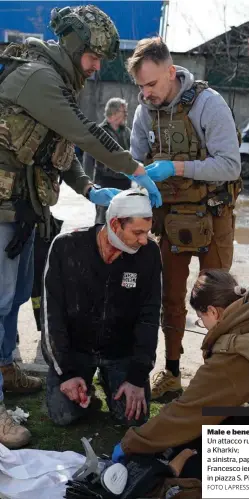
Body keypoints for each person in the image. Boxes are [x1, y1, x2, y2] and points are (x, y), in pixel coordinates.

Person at [0, 5, 161, 450]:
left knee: (13, 300)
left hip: (23, 207)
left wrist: (89, 189)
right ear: (73, 46)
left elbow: (62, 145)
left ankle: (6, 368)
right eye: (92, 57)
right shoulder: (38, 78)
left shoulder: (57, 82)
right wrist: (135, 169)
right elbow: (85, 133)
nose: (94, 67)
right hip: (3, 207)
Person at [127, 36, 241, 400]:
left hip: (213, 215)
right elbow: (134, 164)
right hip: (171, 218)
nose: (145, 94)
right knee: (171, 298)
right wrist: (142, 179)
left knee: (221, 301)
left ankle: (217, 378)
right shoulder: (145, 110)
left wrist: (175, 166)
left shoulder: (208, 104)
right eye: (140, 86)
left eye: (152, 84)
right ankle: (172, 372)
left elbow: (229, 165)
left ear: (171, 72)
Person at [112, 269, 249, 482]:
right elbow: (209, 408)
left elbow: (189, 409)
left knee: (194, 470)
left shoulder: (232, 353)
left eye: (201, 318)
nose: (203, 325)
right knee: (220, 415)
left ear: (213, 311)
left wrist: (132, 442)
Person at [41, 189, 162, 428]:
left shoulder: (149, 253)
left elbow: (149, 316)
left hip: (120, 352)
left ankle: (111, 380)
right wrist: (66, 372)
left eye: (146, 232)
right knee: (64, 415)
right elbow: (50, 316)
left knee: (134, 419)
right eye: (137, 232)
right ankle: (85, 383)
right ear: (115, 224)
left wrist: (138, 376)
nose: (143, 240)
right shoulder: (66, 246)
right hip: (76, 352)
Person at [84, 97, 132, 224]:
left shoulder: (127, 132)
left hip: (124, 182)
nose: (126, 114)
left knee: (123, 219)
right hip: (104, 181)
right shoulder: (98, 132)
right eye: (124, 111)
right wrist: (88, 182)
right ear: (114, 113)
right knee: (103, 219)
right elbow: (88, 158)